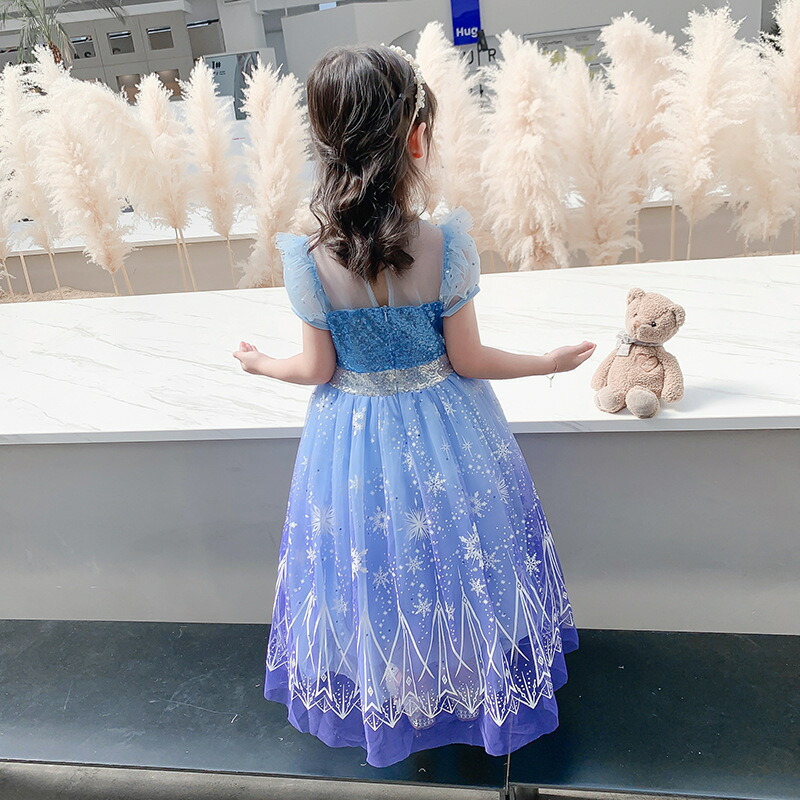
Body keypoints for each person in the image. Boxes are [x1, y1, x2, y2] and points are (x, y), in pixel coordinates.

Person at [232, 43, 596, 768]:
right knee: (460, 560)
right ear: (415, 139)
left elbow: (316, 368)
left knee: (373, 566)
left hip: (351, 442)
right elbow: (469, 359)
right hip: (450, 431)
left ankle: (399, 694)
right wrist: (548, 363)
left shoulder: (309, 258)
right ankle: (470, 686)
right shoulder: (443, 243)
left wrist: (261, 363)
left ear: (323, 143)